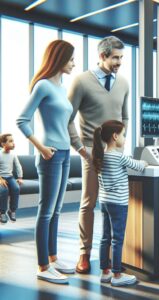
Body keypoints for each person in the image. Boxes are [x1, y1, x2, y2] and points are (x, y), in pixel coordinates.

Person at [68, 36, 129, 273]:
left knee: (115, 202)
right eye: (115, 57)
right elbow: (67, 118)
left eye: (121, 57)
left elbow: (124, 117)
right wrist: (80, 148)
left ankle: (114, 254)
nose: (119, 62)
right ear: (102, 56)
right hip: (91, 153)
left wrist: (120, 147)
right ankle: (84, 253)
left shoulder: (123, 82)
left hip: (115, 154)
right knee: (89, 202)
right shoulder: (81, 81)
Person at [16, 40, 75, 284]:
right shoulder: (43, 86)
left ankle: (52, 257)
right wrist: (40, 147)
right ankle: (42, 266)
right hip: (50, 155)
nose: (73, 63)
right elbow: (22, 120)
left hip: (64, 154)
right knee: (46, 211)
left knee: (57, 210)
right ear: (59, 59)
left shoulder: (60, 88)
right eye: (71, 59)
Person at [92, 120, 147, 286]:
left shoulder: (101, 155)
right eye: (123, 135)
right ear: (115, 136)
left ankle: (105, 272)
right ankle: (117, 275)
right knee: (117, 239)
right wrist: (144, 162)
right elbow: (138, 166)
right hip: (119, 204)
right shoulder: (119, 156)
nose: (124, 138)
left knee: (105, 237)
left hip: (105, 202)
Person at [0, 134, 23, 224]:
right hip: (1, 178)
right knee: (3, 190)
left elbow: (18, 166)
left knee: (16, 188)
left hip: (10, 177)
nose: (13, 143)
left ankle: (12, 211)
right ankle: (2, 212)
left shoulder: (13, 155)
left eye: (13, 141)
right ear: (3, 144)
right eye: (10, 141)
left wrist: (20, 177)